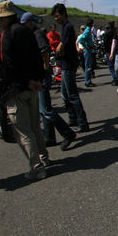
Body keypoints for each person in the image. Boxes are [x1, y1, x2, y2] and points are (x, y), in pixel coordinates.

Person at [0, 1, 50, 180]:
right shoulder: (27, 31)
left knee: (23, 130)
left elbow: (8, 63)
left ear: (6, 18)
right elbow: (37, 56)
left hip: (16, 88)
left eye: (0, 18)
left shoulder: (7, 34)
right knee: (35, 126)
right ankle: (44, 158)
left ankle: (37, 168)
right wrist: (37, 80)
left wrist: (25, 81)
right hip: (32, 86)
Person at [21, 12, 77, 151]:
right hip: (39, 75)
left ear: (30, 22)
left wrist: (45, 65)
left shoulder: (37, 34)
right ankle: (49, 137)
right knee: (43, 109)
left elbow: (45, 50)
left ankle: (67, 133)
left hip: (42, 75)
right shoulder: (32, 34)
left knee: (45, 109)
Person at [52, 3, 90, 133]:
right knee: (64, 94)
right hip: (65, 64)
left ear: (63, 14)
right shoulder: (64, 27)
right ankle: (73, 117)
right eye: (54, 17)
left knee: (72, 95)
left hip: (68, 65)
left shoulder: (67, 27)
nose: (56, 18)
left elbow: (60, 48)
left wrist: (59, 50)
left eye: (57, 16)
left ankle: (82, 122)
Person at [78, 19, 96, 87]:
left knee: (89, 66)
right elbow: (81, 39)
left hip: (89, 49)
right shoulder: (87, 30)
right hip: (87, 51)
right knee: (88, 67)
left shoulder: (88, 30)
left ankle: (88, 80)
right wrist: (86, 46)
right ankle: (87, 81)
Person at [102, 21, 117, 85]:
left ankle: (115, 78)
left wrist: (105, 50)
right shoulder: (116, 31)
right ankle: (117, 77)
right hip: (116, 50)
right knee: (116, 65)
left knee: (111, 66)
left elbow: (105, 43)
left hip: (109, 50)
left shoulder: (107, 33)